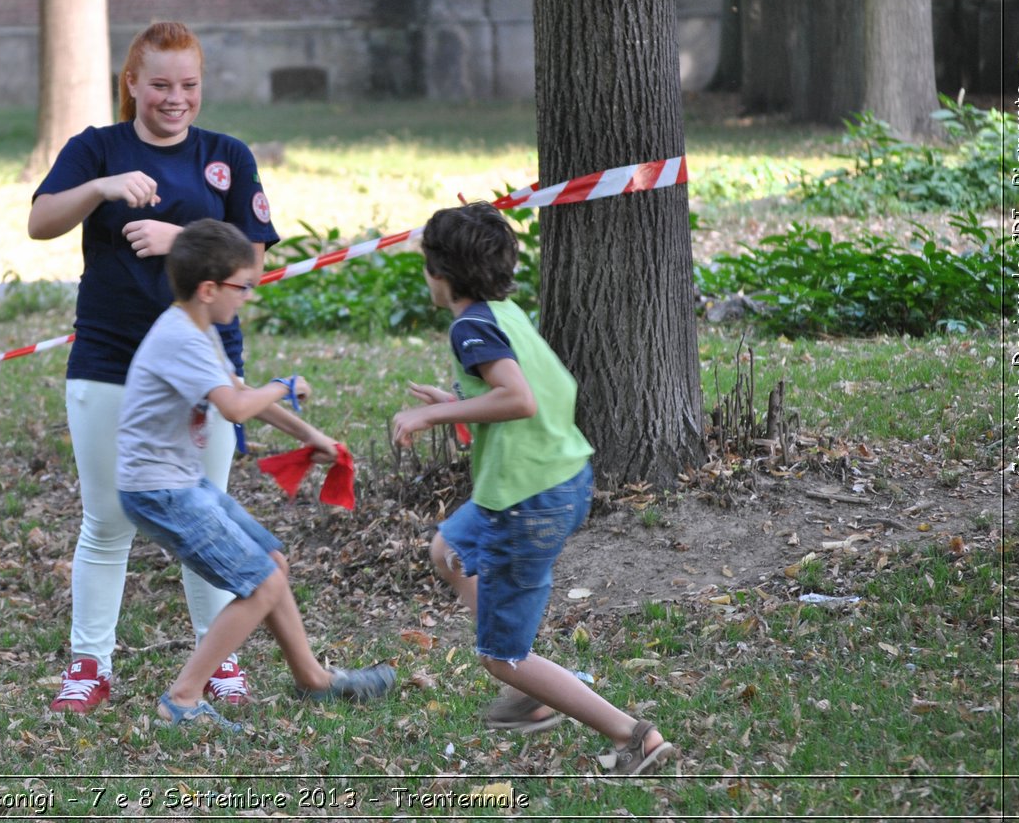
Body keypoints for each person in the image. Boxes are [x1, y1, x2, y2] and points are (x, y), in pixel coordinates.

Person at [28, 21, 279, 713]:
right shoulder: (96, 149)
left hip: (204, 367)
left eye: (189, 85)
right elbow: (41, 221)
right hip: (108, 361)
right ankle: (89, 666)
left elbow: (253, 263)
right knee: (107, 518)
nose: (176, 98)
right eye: (161, 84)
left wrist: (184, 241)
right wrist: (102, 188)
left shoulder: (225, 155)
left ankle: (217, 658)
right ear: (132, 82)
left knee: (205, 517)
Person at [390, 202, 678, 776]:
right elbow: (542, 391)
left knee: (500, 657)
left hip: (528, 502)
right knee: (447, 551)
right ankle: (530, 683)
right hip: (553, 481)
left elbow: (517, 398)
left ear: (440, 272)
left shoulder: (470, 325)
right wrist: (457, 403)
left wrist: (431, 419)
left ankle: (633, 736)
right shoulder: (503, 313)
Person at [117, 219, 396, 728]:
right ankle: (181, 698)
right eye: (243, 286)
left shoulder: (201, 331)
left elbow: (242, 396)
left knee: (270, 562)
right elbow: (239, 407)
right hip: (159, 490)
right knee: (261, 582)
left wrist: (311, 437)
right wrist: (282, 385)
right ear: (208, 289)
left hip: (181, 482)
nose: (247, 295)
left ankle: (314, 679)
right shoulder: (181, 337)